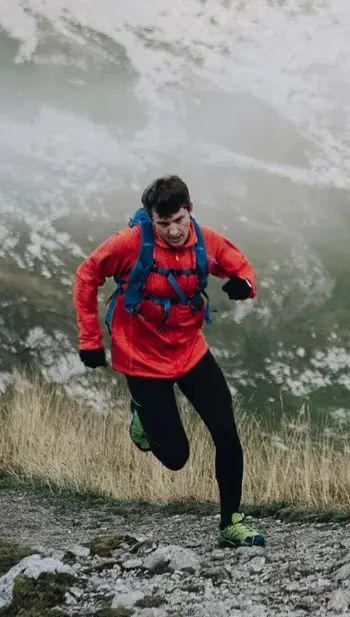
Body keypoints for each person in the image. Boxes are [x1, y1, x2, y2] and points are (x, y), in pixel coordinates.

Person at [73, 175, 265, 547]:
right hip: (141, 358)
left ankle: (231, 522)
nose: (174, 231)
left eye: (179, 220)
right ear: (151, 219)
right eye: (164, 224)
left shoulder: (205, 240)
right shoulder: (129, 244)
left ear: (189, 210)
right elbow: (86, 275)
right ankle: (141, 418)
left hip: (190, 350)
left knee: (226, 431)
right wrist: (90, 339)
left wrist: (244, 284)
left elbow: (241, 266)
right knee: (176, 458)